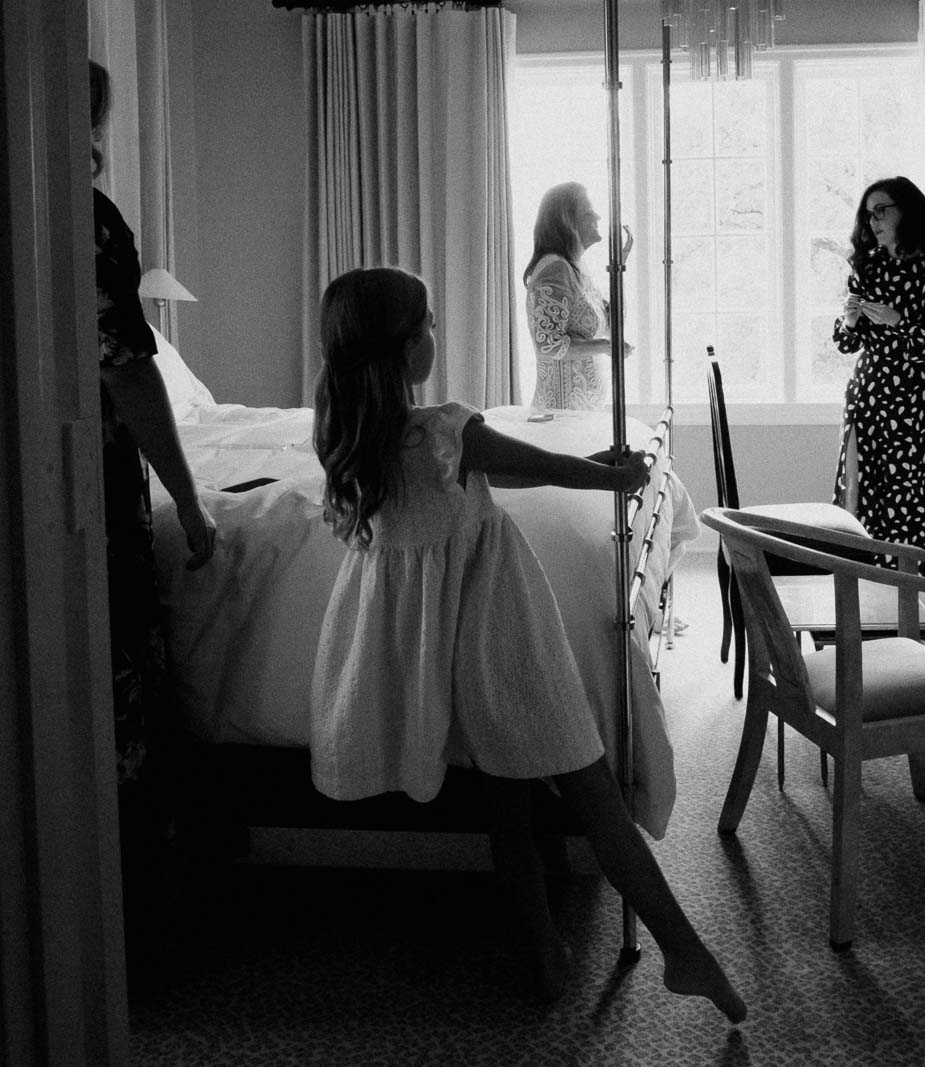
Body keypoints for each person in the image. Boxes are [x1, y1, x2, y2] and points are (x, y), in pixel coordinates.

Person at [309, 267, 744, 1020]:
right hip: (503, 635)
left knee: (505, 803)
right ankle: (681, 946)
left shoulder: (351, 438)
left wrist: (591, 468)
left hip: (439, 649)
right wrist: (616, 474)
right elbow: (545, 469)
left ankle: (545, 949)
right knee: (592, 792)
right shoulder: (446, 428)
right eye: (431, 325)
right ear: (408, 346)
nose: (437, 337)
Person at [90, 59, 218, 973]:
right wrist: (190, 503)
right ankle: (132, 919)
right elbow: (129, 371)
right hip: (89, 493)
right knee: (119, 675)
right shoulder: (90, 226)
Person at [831, 177, 925, 575]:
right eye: (869, 214)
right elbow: (847, 345)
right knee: (859, 484)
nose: (874, 222)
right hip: (867, 389)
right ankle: (858, 575)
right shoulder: (867, 267)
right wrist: (849, 322)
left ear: (907, 210)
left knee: (906, 486)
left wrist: (898, 321)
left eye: (882, 210)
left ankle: (905, 579)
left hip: (909, 395)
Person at [522, 181, 631, 413]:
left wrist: (618, 270)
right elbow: (548, 345)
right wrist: (605, 347)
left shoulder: (576, 269)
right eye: (589, 212)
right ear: (567, 222)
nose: (598, 217)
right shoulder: (556, 269)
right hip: (560, 416)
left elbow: (613, 325)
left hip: (583, 411)